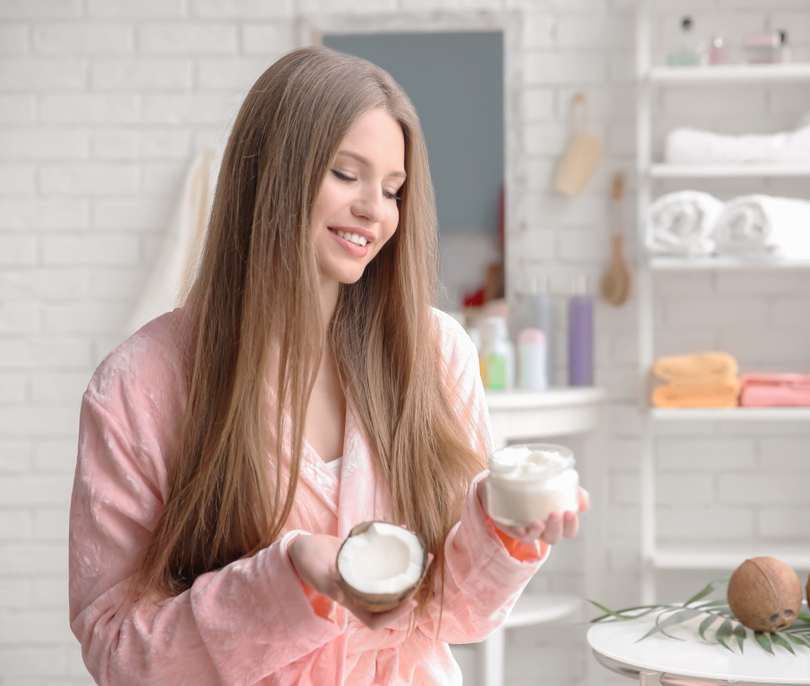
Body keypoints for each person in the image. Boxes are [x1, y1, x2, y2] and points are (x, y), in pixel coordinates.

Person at [68, 46, 587, 685]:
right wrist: (288, 580)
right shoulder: (139, 384)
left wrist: (501, 534)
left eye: (393, 190)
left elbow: (453, 617)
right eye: (346, 174)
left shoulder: (436, 352)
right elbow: (117, 652)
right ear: (273, 177)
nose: (377, 210)